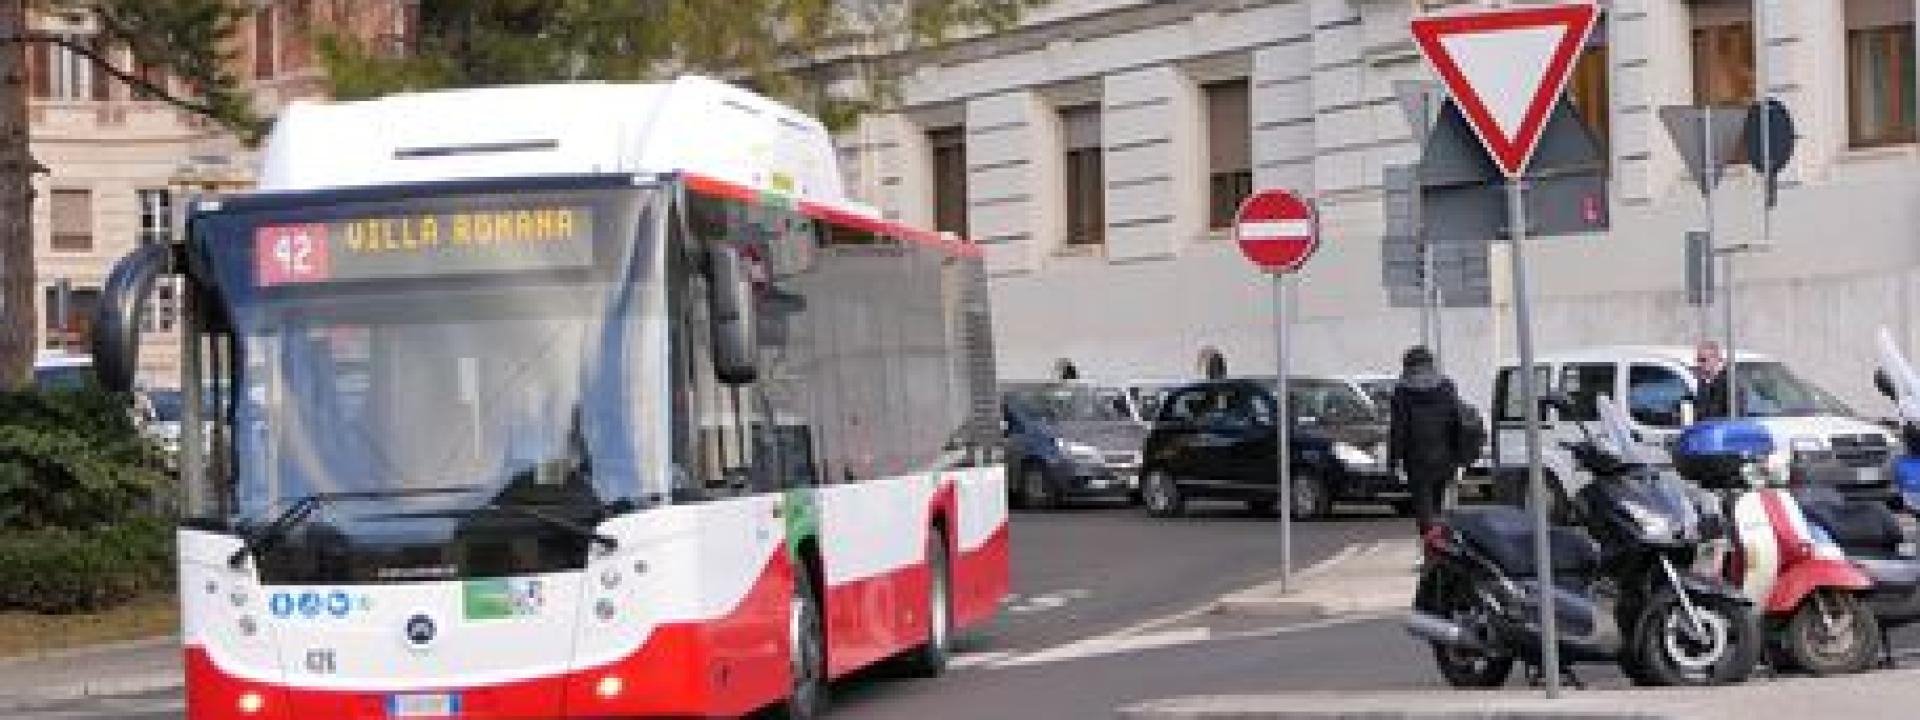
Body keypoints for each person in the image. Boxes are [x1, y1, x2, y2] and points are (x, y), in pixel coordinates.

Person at [1389, 346, 1465, 536]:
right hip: (1445, 457)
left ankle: (1431, 554)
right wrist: (1459, 455)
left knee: (1424, 511)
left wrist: (1394, 460)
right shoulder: (1447, 385)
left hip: (1417, 460)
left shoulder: (1402, 391)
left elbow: (1399, 428)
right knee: (1437, 508)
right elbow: (1457, 420)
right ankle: (1439, 553)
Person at [1694, 340, 1730, 419]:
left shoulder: (1729, 385)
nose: (1699, 364)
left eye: (1703, 360)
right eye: (1698, 360)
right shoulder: (1701, 384)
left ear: (1717, 360)